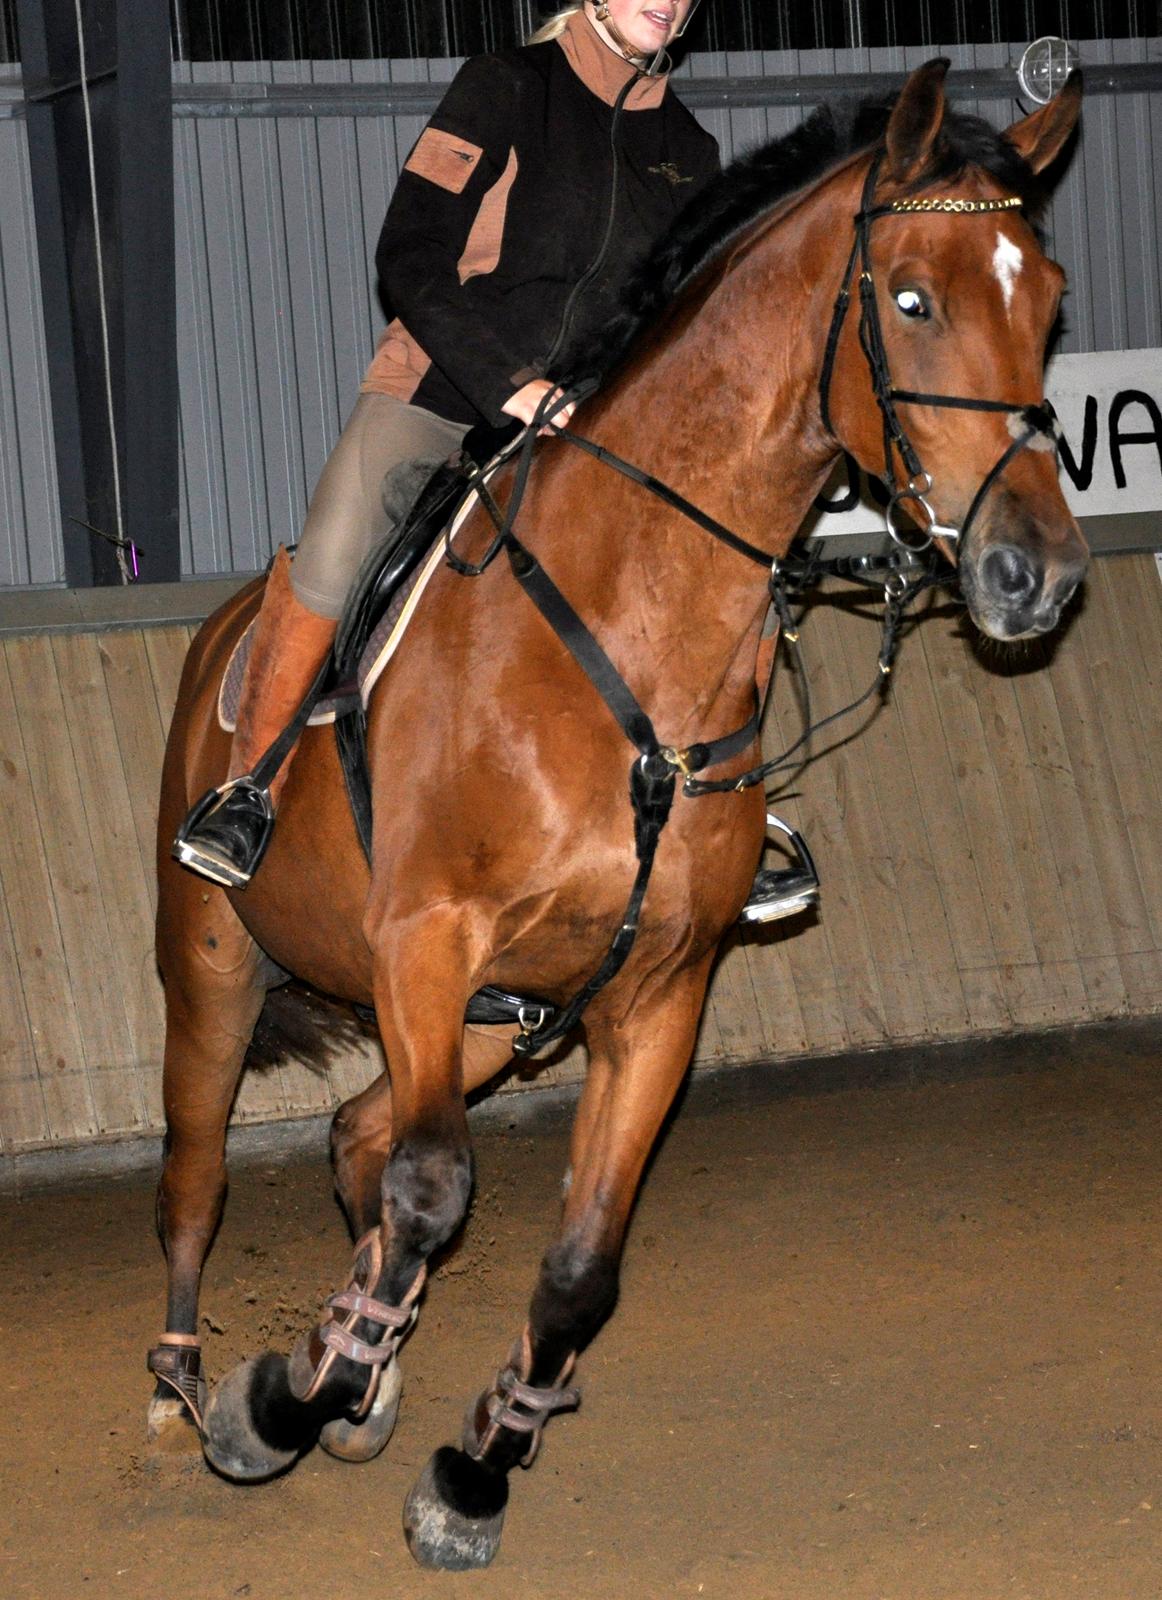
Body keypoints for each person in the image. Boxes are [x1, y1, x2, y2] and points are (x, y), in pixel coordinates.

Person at [174, 2, 819, 929]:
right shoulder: (506, 87)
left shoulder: (688, 146)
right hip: (442, 393)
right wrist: (506, 385)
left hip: (595, 432)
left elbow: (689, 324)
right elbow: (409, 254)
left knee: (739, 569)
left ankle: (734, 817)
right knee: (333, 548)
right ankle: (249, 789)